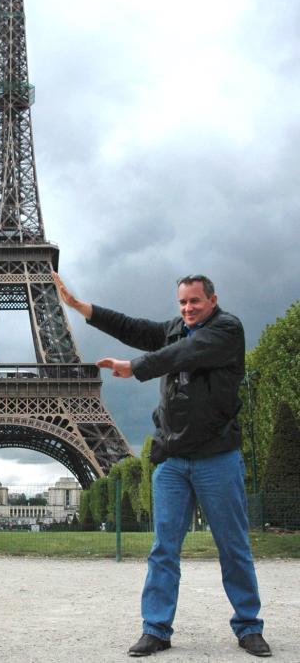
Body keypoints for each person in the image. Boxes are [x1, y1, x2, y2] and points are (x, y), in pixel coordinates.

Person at [52, 272, 271, 659]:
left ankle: (249, 626)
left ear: (213, 300)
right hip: (172, 458)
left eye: (195, 302)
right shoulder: (175, 328)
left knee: (233, 546)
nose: (187, 308)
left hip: (216, 457)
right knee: (163, 549)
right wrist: (82, 308)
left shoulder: (226, 330)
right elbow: (134, 328)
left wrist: (134, 367)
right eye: (183, 303)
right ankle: (155, 629)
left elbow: (182, 355)